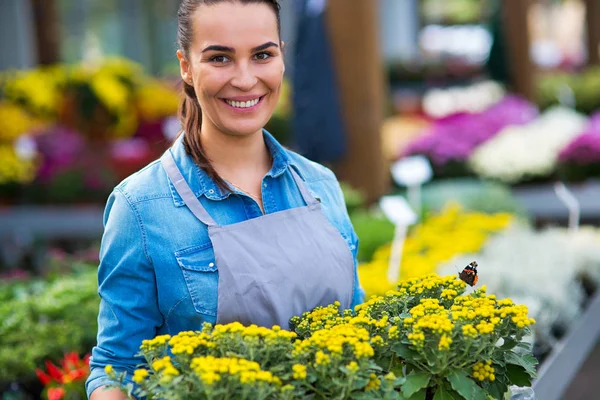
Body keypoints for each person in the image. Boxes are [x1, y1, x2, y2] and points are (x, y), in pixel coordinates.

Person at [86, 0, 364, 398]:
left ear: (282, 56)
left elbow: (358, 327)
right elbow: (115, 368)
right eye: (220, 58)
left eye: (262, 55)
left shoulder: (320, 184)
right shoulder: (141, 207)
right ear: (186, 66)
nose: (246, 79)